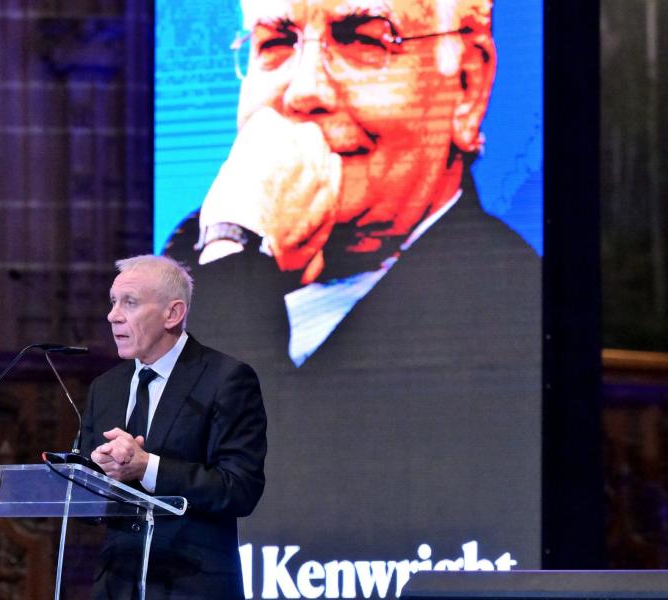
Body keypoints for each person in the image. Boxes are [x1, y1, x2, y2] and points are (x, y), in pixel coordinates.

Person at [164, 0, 542, 572]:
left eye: (365, 39)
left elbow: (278, 493)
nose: (303, 92)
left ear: (466, 87)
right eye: (275, 43)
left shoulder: (508, 299)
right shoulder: (192, 258)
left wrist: (234, 252)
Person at [80, 254, 268, 599]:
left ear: (173, 313)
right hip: (116, 585)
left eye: (130, 303)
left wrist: (147, 467)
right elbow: (83, 502)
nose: (113, 315)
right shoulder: (105, 387)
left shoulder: (225, 380)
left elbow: (239, 489)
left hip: (192, 584)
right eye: (113, 302)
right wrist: (91, 472)